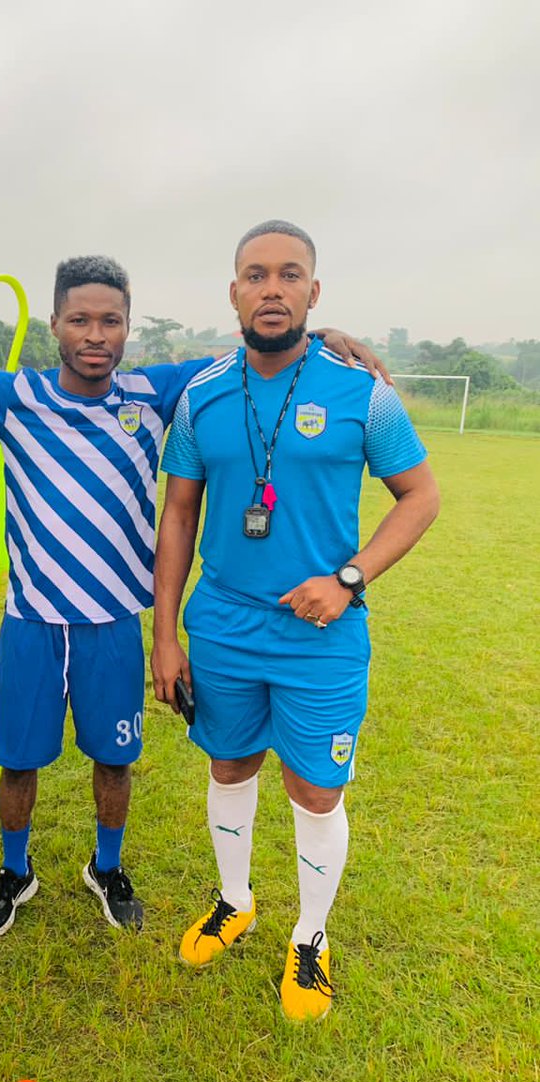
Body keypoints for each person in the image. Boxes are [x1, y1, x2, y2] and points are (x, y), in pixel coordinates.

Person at [0, 255, 388, 942]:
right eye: (79, 320)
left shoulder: (157, 392)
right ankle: (15, 870)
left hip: (112, 623)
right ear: (55, 325)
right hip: (31, 619)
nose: (94, 335)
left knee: (114, 758)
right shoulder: (7, 395)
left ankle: (107, 865)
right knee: (19, 759)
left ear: (128, 327)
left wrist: (324, 332)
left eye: (110, 321)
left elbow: (261, 346)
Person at [151, 220, 439, 1021]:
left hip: (321, 635)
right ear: (234, 291)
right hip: (222, 627)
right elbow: (177, 518)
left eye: (288, 275)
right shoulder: (201, 396)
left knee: (315, 790)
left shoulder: (362, 394)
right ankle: (234, 900)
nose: (270, 288)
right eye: (255, 274)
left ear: (314, 293)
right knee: (230, 766)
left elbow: (421, 496)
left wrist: (350, 578)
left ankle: (310, 939)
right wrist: (165, 633)